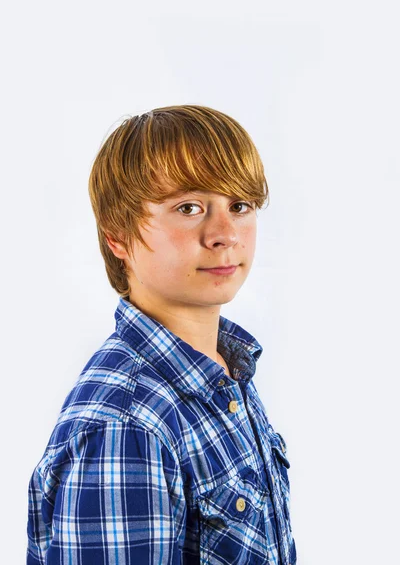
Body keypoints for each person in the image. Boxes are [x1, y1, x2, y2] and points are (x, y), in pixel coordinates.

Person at [26, 104, 297, 564]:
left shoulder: (225, 370)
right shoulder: (127, 426)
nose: (225, 233)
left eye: (240, 205)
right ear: (117, 235)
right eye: (189, 207)